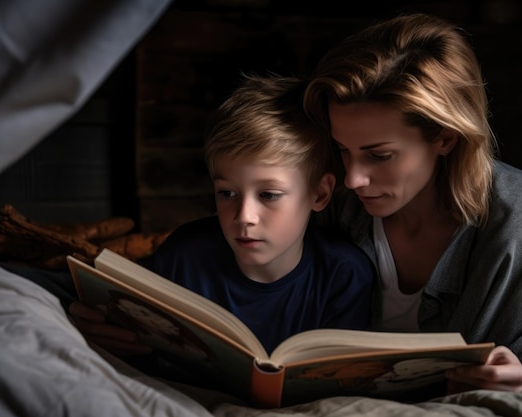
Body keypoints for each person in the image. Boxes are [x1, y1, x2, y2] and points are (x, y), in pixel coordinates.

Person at [302, 13, 522, 395]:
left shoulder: (515, 223)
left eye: (380, 155)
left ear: (445, 137)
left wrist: (518, 373)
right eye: (343, 149)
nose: (352, 178)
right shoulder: (338, 201)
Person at [69, 74, 375, 358]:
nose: (244, 216)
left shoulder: (345, 275)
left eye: (268, 195)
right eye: (227, 193)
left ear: (319, 194)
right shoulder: (183, 256)